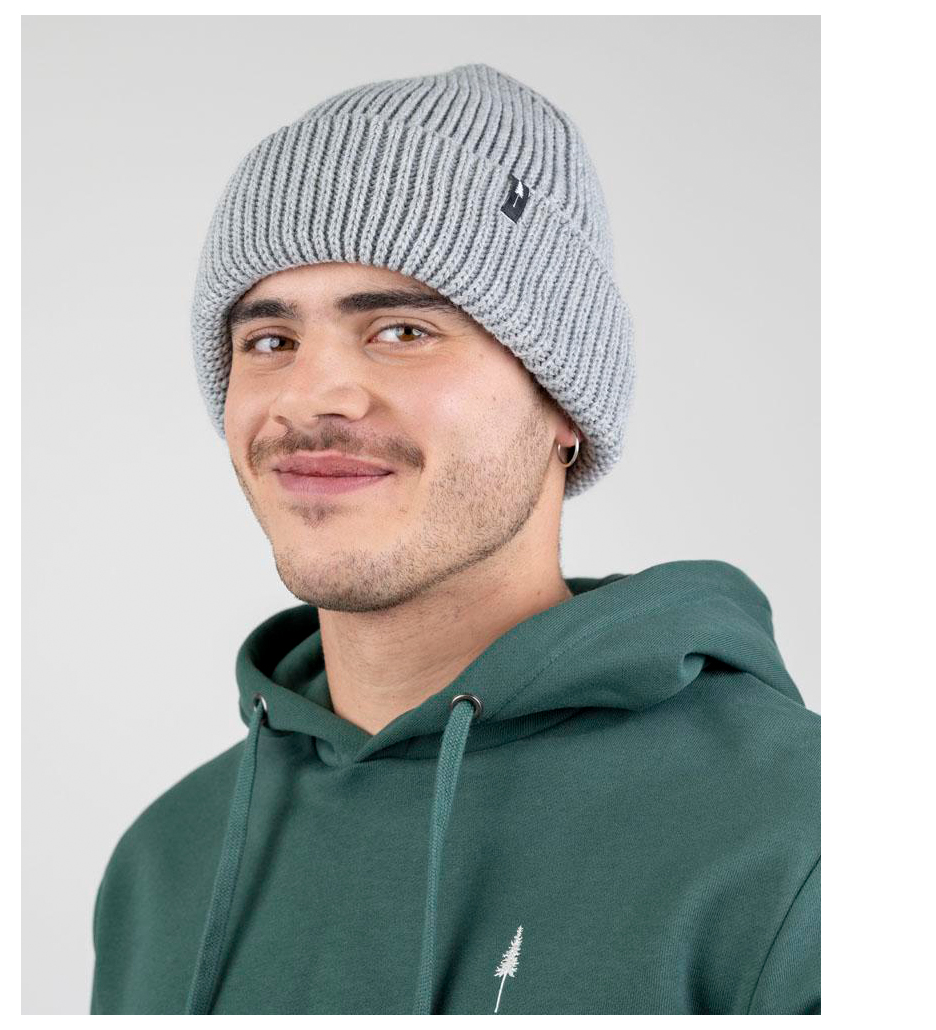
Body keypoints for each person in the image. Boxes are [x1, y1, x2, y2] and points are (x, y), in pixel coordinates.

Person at [90, 62, 819, 1015]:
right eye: (269, 342)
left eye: (402, 331)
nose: (309, 398)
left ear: (564, 401)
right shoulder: (163, 867)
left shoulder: (800, 835)